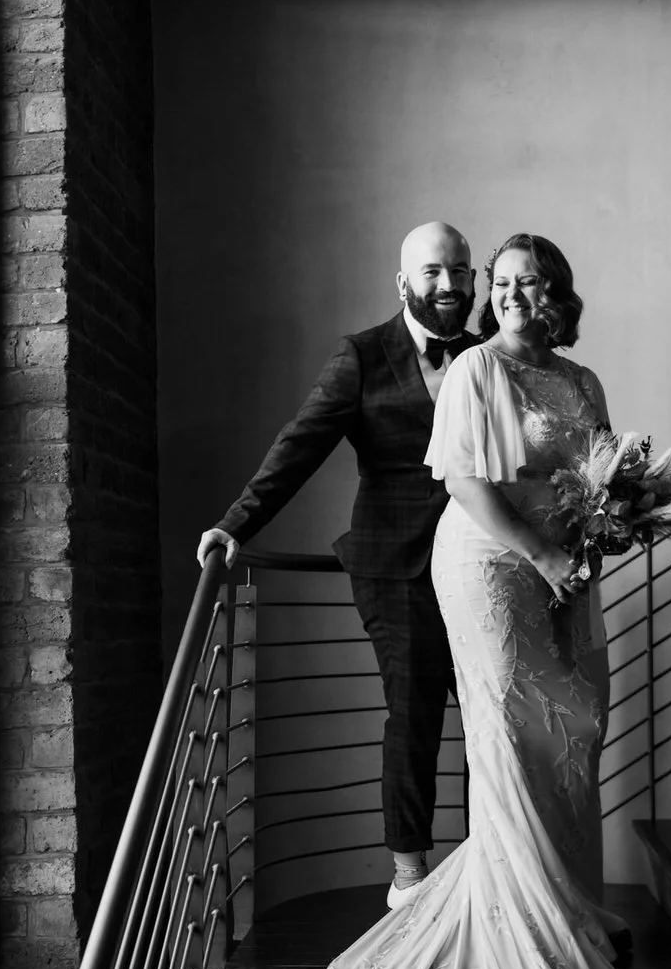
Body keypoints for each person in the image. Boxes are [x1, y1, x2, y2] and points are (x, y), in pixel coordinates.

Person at [259, 232, 671, 969]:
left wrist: (602, 529)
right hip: (492, 567)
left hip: (565, 572)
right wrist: (543, 554)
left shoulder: (579, 381)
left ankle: (567, 900)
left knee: (574, 729)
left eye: (521, 282)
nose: (502, 295)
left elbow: (595, 473)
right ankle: (525, 927)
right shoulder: (469, 373)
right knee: (504, 734)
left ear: (553, 294)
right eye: (493, 282)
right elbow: (462, 480)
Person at [196, 222, 478, 907]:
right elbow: (300, 446)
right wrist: (237, 524)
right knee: (412, 717)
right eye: (433, 271)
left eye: (460, 271)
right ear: (403, 281)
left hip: (480, 566)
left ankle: (492, 869)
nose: (448, 285)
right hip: (395, 567)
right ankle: (409, 876)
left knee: (492, 716)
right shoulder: (362, 356)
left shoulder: (486, 354)